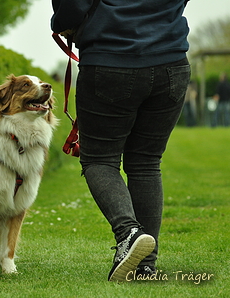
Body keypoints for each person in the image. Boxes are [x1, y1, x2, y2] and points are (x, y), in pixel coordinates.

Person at [51, 0, 191, 282]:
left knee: (99, 159)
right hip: (172, 63)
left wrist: (60, 23)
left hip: (110, 59)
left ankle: (129, 233)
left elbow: (73, 7)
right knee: (146, 162)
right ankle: (145, 265)